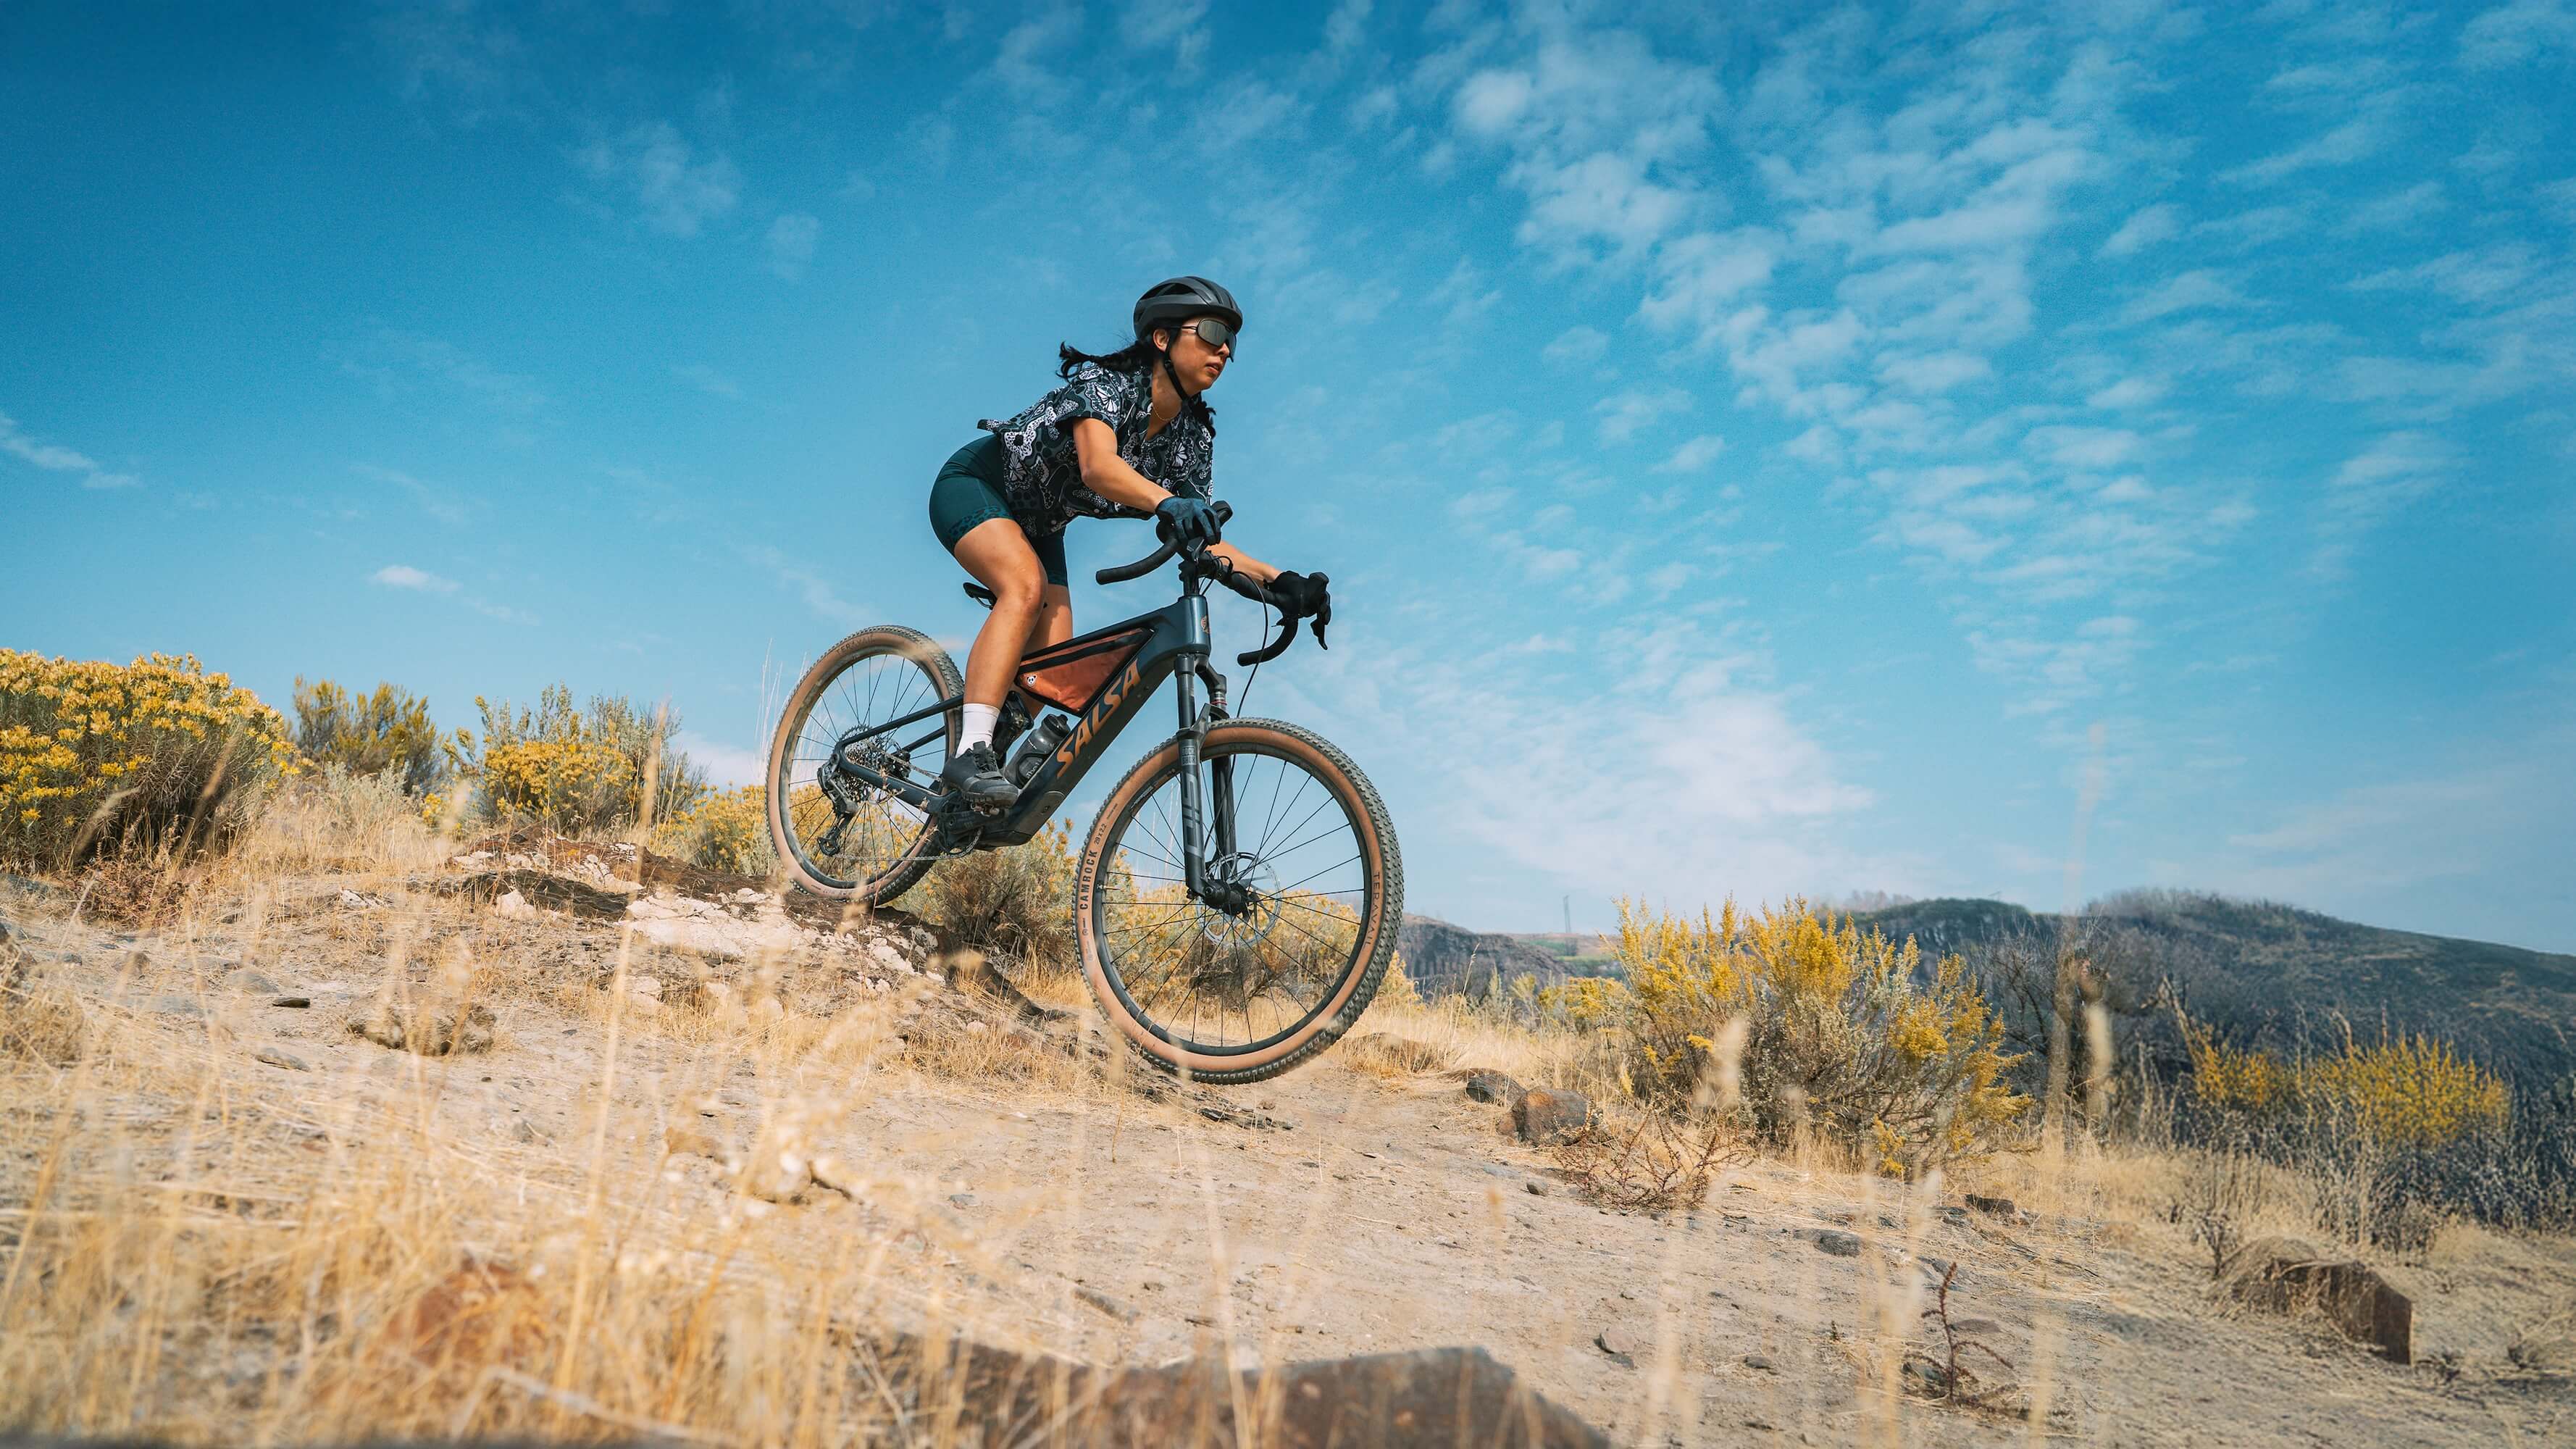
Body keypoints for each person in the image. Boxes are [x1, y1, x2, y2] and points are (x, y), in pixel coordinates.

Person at [925, 275, 1331, 806]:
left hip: (1041, 525)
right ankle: (969, 751)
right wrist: (1166, 502)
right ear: (1162, 339)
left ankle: (971, 785)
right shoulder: (1107, 385)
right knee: (1022, 588)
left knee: (1051, 673)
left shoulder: (1191, 436)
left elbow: (1204, 540)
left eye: (1232, 340)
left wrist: (1280, 582)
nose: (1225, 349)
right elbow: (1098, 468)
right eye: (1211, 332)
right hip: (977, 486)